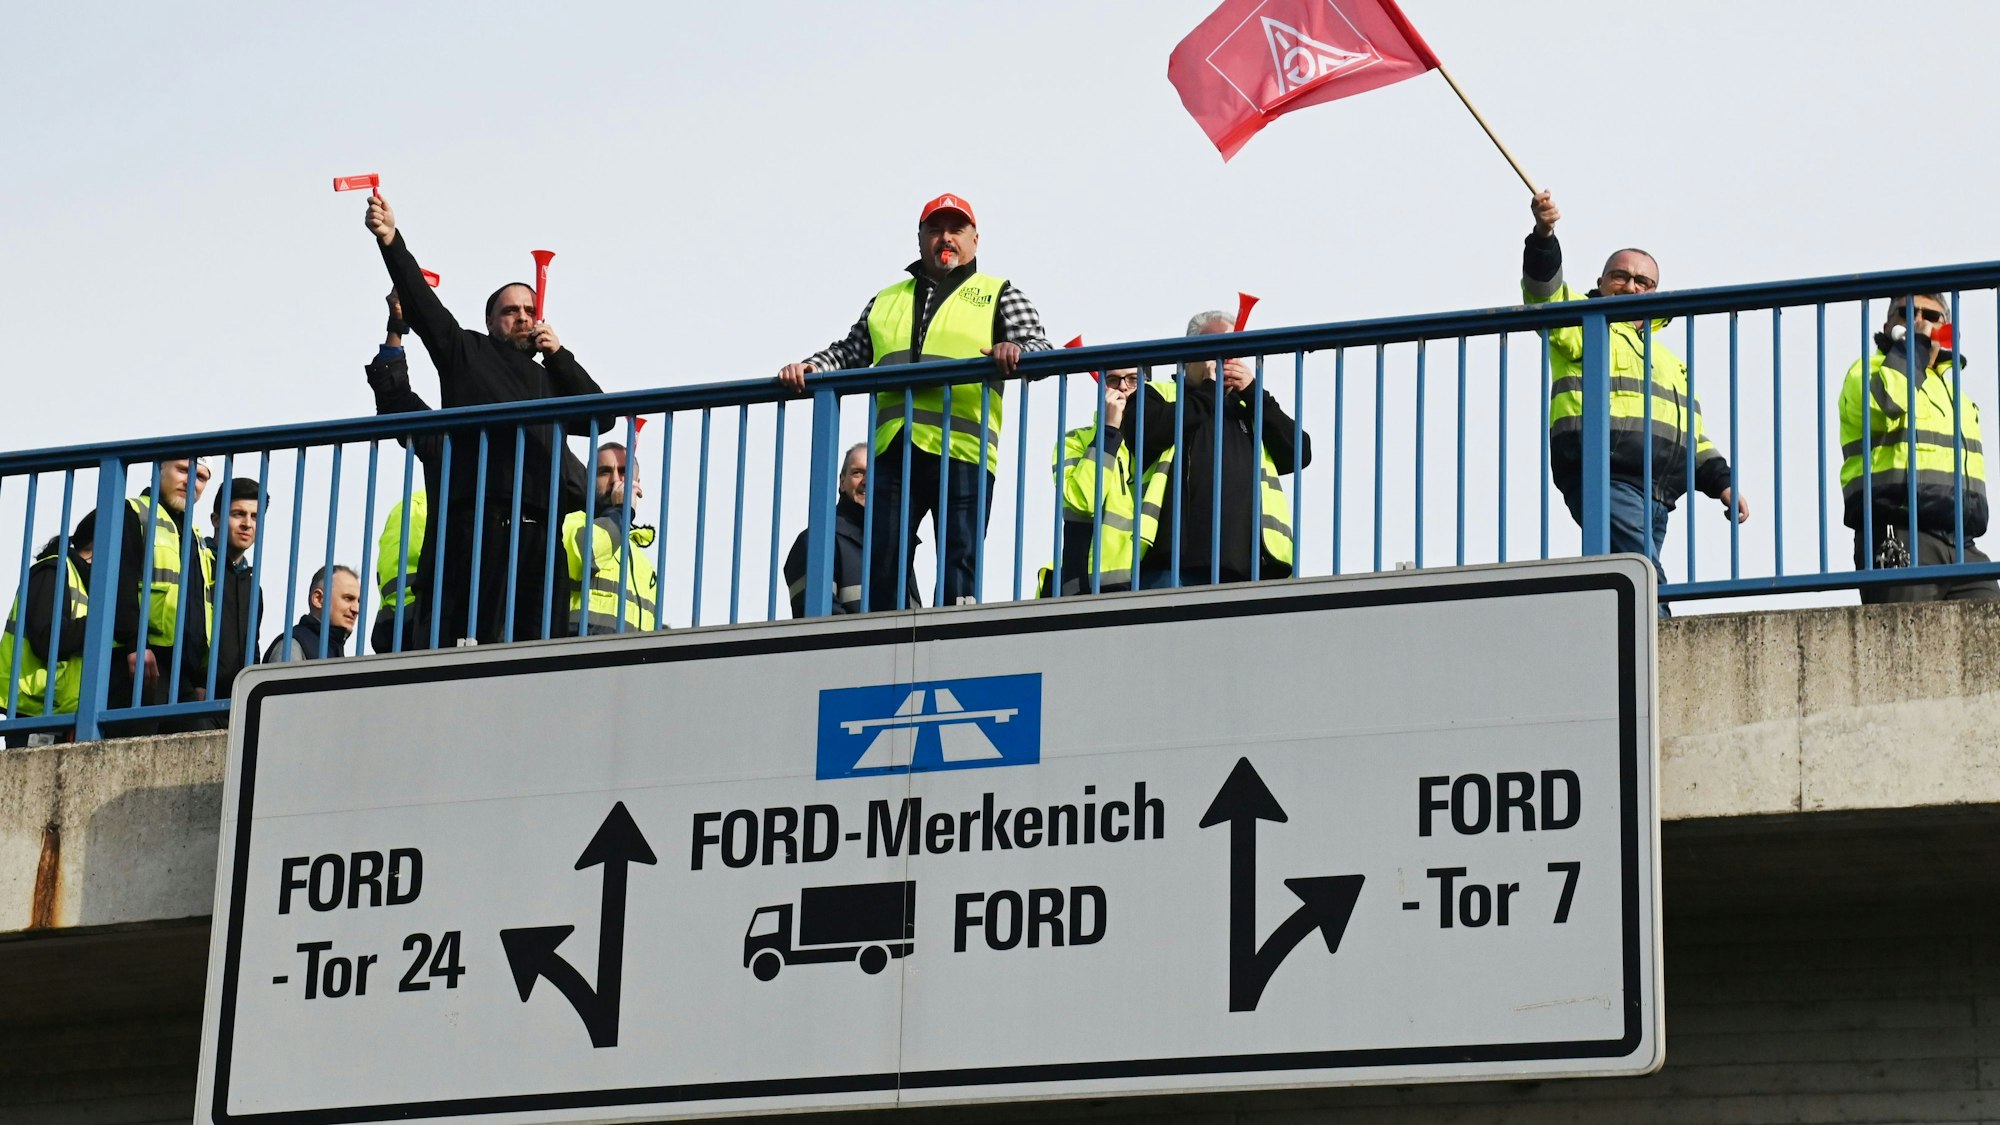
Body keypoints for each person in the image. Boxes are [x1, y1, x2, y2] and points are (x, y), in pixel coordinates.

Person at [777, 193, 1052, 610]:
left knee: (959, 563)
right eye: (935, 229)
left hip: (963, 450)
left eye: (956, 230)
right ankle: (886, 642)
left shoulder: (999, 293)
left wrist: (1015, 350)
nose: (946, 238)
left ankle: (953, 642)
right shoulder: (888, 299)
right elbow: (850, 350)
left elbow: (1042, 349)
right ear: (920, 238)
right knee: (884, 562)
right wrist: (812, 366)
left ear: (975, 240)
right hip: (895, 449)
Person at [365, 193, 609, 646]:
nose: (521, 318)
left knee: (538, 652)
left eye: (529, 311)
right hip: (480, 529)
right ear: (490, 321)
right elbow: (423, 304)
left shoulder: (550, 377)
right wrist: (390, 240)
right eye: (510, 311)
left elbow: (601, 416)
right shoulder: (467, 353)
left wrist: (558, 355)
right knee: (473, 647)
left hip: (541, 539)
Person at [1522, 191, 1750, 597]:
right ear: (1601, 284)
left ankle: (1626, 643)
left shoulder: (1669, 361)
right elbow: (1543, 293)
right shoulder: (1582, 321)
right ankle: (1662, 647)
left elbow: (1693, 435)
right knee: (1642, 578)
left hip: (1658, 494)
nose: (1631, 286)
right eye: (1621, 277)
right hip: (1605, 476)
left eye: (1643, 282)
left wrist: (1722, 483)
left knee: (1624, 583)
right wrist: (1544, 234)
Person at [1125, 313, 1309, 587]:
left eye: (1233, 351)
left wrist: (1253, 391)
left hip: (1249, 565)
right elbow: (1147, 434)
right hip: (1170, 562)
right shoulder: (1158, 395)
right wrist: (1210, 390)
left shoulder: (1250, 408)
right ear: (1189, 354)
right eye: (1214, 350)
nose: (1225, 359)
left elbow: (1299, 452)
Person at [1839, 293, 1996, 602]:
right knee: (1903, 643)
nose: (1919, 320)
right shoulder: (1868, 371)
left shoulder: (1954, 392)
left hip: (1961, 544)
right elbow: (1890, 400)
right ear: (1889, 325)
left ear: (1946, 329)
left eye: (1931, 316)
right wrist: (1915, 348)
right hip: (1899, 533)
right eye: (1907, 312)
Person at [86, 457, 214, 731]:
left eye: (201, 477)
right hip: (142, 661)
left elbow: (199, 607)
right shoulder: (133, 512)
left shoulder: (194, 536)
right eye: (182, 470)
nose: (191, 481)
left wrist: (200, 676)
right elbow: (119, 584)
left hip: (182, 672)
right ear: (159, 470)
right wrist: (135, 644)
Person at [1041, 369, 1163, 596]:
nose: (1124, 387)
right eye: (1114, 380)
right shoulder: (1075, 440)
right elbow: (1083, 500)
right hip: (1091, 584)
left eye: (1134, 379)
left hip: (1151, 578)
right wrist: (1108, 432)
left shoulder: (1162, 438)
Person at [782, 443, 920, 616]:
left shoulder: (895, 546)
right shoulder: (817, 542)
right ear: (841, 482)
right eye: (857, 472)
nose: (867, 481)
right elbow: (818, 623)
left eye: (876, 474)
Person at [0, 514, 94, 746]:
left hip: (63, 713)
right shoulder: (54, 570)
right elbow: (47, 638)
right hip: (36, 713)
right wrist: (101, 622)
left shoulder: (85, 583)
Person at [560, 443, 660, 635]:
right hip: (578, 655)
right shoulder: (571, 522)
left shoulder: (642, 561)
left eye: (624, 472)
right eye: (604, 472)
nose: (615, 480)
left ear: (637, 482)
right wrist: (622, 510)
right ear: (588, 481)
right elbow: (589, 554)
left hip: (630, 662)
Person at [206, 478, 264, 701]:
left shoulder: (252, 586)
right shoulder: (197, 565)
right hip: (197, 697)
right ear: (217, 519)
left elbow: (253, 648)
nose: (247, 524)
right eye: (238, 514)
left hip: (236, 702)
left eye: (255, 516)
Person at [262, 566, 361, 663]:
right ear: (318, 599)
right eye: (348, 598)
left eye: (359, 601)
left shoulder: (334, 649)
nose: (356, 609)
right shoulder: (292, 646)